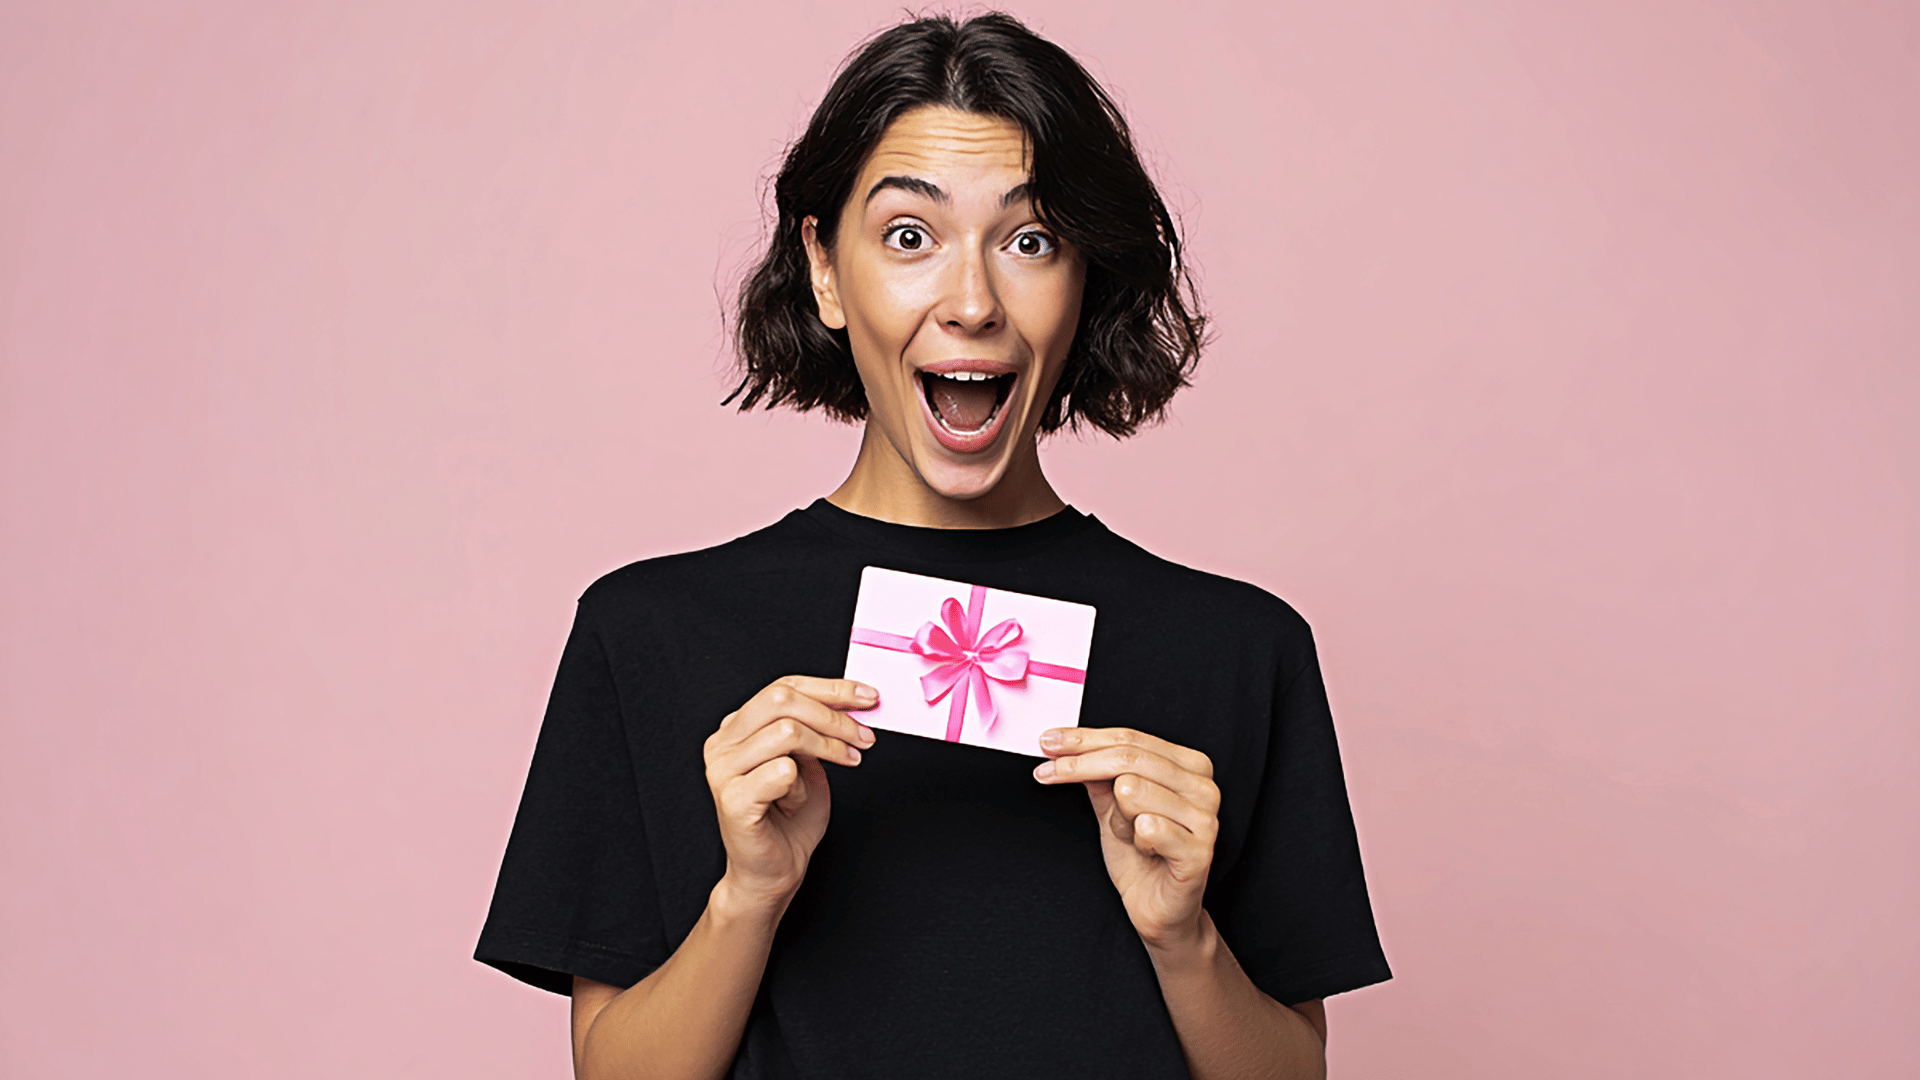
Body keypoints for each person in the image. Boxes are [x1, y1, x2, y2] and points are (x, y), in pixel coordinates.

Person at [475, 13, 1390, 1079]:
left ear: (1084, 276)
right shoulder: (649, 634)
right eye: (910, 236)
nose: (971, 304)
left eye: (1031, 240)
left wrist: (1181, 939)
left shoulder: (1242, 649)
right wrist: (749, 898)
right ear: (824, 269)